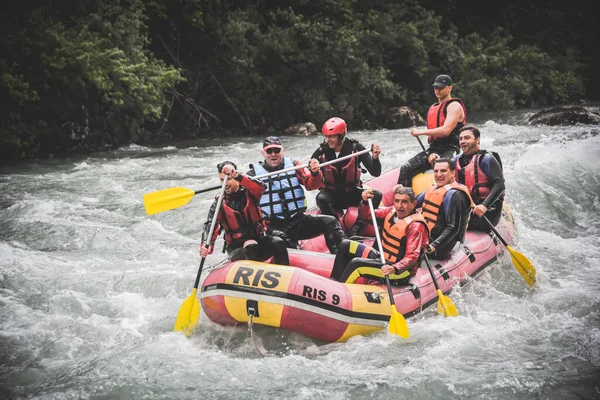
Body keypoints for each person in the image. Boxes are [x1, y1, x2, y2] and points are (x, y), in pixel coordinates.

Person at [247, 136, 347, 254]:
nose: (273, 154)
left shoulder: (295, 166)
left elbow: (311, 186)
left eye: (277, 150)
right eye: (269, 151)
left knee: (330, 221)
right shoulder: (252, 175)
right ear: (263, 153)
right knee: (283, 242)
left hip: (297, 220)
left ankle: (340, 255)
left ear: (282, 151)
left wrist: (315, 173)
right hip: (273, 225)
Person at [329, 186, 429, 285]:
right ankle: (334, 280)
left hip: (400, 272)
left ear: (413, 204)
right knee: (345, 244)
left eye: (404, 202)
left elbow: (412, 256)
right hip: (381, 257)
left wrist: (395, 268)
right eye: (397, 201)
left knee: (356, 264)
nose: (399, 206)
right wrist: (365, 203)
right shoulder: (391, 212)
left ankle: (338, 289)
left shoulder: (415, 226)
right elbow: (366, 216)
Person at [200, 161, 289, 265]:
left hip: (259, 239)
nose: (226, 183)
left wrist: (238, 175)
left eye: (229, 179)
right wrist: (206, 245)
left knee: (277, 242)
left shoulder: (251, 193)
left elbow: (261, 187)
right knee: (250, 246)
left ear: (236, 179)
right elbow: (210, 226)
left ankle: (284, 273)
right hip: (237, 249)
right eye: (222, 180)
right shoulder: (219, 204)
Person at [398, 74, 467, 188]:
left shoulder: (454, 106)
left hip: (450, 148)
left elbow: (445, 131)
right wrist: (431, 153)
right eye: (436, 87)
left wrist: (420, 132)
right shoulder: (434, 107)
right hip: (433, 148)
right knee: (406, 168)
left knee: (443, 170)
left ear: (450, 88)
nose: (438, 90)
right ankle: (406, 200)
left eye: (441, 87)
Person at [311, 117, 383, 219]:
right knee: (321, 198)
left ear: (341, 135)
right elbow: (312, 183)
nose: (327, 140)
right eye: (326, 136)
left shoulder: (356, 148)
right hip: (332, 195)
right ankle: (337, 227)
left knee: (376, 195)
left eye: (331, 136)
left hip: (352, 193)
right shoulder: (321, 152)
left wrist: (375, 158)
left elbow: (375, 173)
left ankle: (358, 225)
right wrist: (314, 172)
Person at [415, 158, 474, 259]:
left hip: (442, 244)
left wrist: (434, 246)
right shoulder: (434, 188)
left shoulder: (456, 194)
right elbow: (413, 204)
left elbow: (453, 227)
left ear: (452, 173)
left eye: (443, 171)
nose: (438, 175)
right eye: (436, 171)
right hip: (427, 235)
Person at [454, 125, 505, 231]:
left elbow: (500, 185)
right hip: (467, 208)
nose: (462, 141)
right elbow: (441, 170)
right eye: (460, 139)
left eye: (467, 138)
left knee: (449, 223)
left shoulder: (487, 159)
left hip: (487, 211)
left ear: (477, 139)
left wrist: (484, 206)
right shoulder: (456, 160)